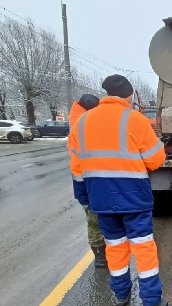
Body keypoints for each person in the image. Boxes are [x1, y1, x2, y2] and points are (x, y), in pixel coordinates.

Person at [68, 74, 169, 306]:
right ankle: (151, 301)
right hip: (134, 198)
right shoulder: (135, 120)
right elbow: (156, 159)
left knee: (114, 247)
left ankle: (121, 295)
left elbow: (77, 169)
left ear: (106, 94)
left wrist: (85, 199)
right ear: (129, 95)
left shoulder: (81, 123)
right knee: (143, 248)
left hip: (101, 200)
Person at [68, 94, 106, 268]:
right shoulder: (86, 124)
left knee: (93, 220)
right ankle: (102, 255)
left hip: (84, 182)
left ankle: (100, 256)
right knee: (98, 220)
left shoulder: (77, 121)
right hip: (91, 183)